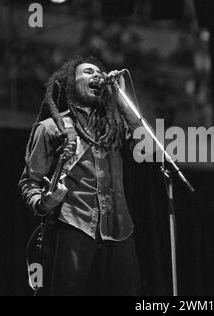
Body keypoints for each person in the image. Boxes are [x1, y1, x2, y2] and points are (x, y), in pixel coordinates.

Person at [19, 56, 144, 296]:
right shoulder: (51, 128)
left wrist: (121, 98)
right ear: (70, 85)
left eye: (99, 72)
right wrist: (44, 202)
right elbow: (29, 181)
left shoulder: (113, 129)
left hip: (119, 229)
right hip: (73, 225)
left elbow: (143, 140)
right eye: (87, 72)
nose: (96, 75)